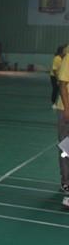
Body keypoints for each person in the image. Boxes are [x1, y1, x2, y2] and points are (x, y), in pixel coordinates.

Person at [56, 51, 69, 208]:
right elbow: (62, 83)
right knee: (66, 146)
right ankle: (66, 181)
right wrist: (67, 108)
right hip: (66, 109)